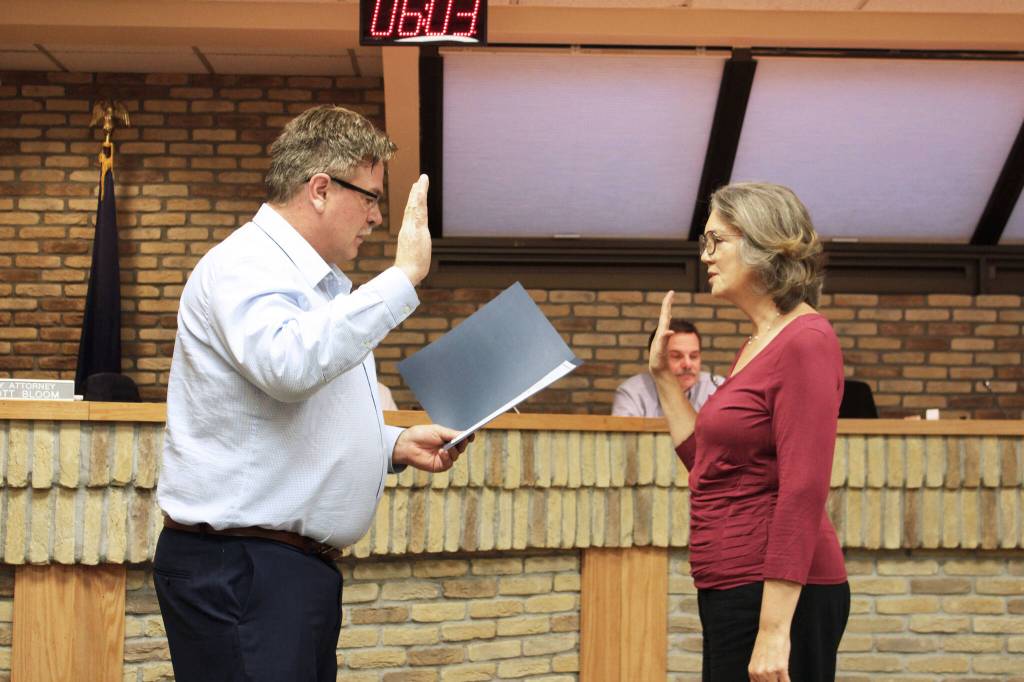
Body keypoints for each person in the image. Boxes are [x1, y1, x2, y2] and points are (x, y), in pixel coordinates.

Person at [154, 105, 470, 682]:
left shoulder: (313, 282)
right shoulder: (246, 263)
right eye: (370, 197)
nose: (376, 216)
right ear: (320, 189)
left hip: (280, 570)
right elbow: (289, 366)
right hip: (243, 569)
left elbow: (298, 409)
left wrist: (392, 444)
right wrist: (402, 278)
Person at [650, 182, 849, 681]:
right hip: (732, 585)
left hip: (775, 596)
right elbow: (708, 465)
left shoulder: (806, 340)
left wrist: (774, 630)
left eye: (716, 240)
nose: (706, 255)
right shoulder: (758, 342)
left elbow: (803, 488)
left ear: (763, 243)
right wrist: (663, 378)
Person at [611, 319, 722, 416]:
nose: (687, 364)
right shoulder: (632, 393)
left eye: (693, 356)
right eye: (676, 356)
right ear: (655, 359)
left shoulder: (718, 388)